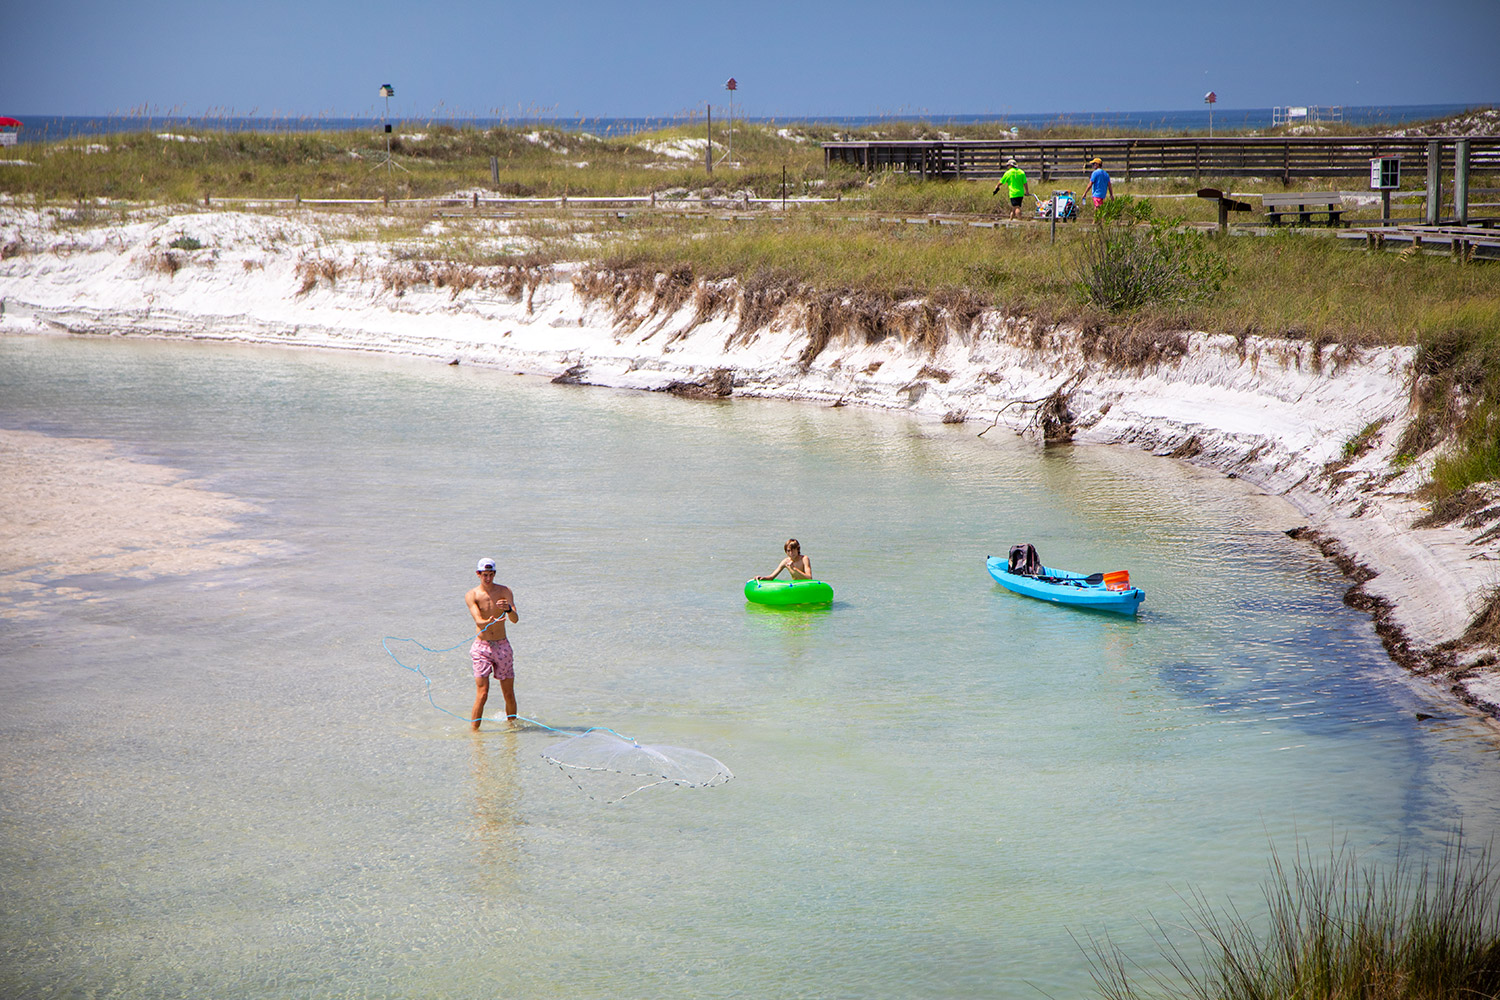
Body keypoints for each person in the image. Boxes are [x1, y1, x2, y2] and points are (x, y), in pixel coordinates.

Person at [466, 557, 519, 730]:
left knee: (508, 693)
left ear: (494, 574)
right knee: (482, 694)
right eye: (484, 575)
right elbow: (478, 620)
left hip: (502, 645)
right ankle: (475, 734)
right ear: (478, 574)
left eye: (490, 574)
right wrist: (486, 621)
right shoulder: (472, 595)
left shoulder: (505, 591)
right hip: (482, 647)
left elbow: (515, 619)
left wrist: (508, 609)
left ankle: (512, 732)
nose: (487, 578)